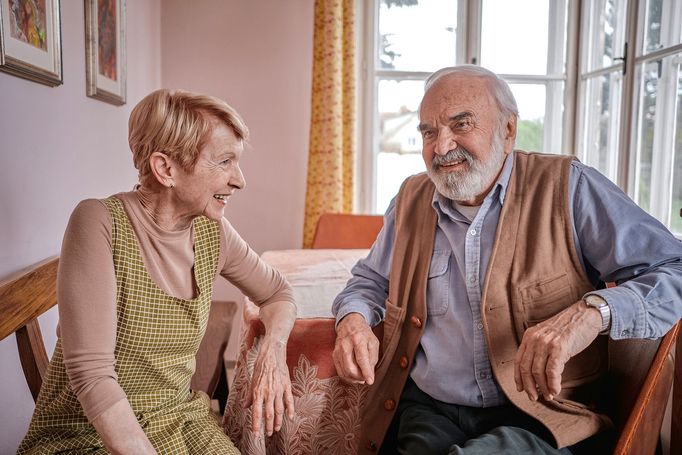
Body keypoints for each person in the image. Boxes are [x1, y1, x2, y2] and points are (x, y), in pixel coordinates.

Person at [332, 65, 682, 454]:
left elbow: (673, 269)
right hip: (431, 409)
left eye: (461, 125)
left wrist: (591, 312)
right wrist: (353, 321)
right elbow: (369, 282)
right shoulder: (410, 199)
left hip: (544, 414)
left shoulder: (569, 186)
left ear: (509, 130)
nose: (442, 146)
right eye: (429, 132)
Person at [18, 89, 297, 454]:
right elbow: (92, 376)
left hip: (177, 419)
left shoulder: (213, 231)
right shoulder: (99, 222)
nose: (239, 180)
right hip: (88, 435)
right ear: (166, 169)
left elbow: (278, 294)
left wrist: (274, 350)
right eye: (225, 162)